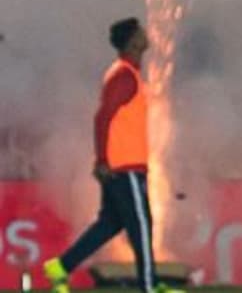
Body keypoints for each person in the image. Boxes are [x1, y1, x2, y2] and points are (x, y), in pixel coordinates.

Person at [44, 18, 160, 293]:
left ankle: (61, 267)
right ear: (133, 40)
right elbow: (102, 117)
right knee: (141, 225)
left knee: (110, 223)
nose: (147, 34)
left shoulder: (127, 73)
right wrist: (102, 161)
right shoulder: (123, 76)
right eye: (141, 31)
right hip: (124, 167)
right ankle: (149, 286)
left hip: (122, 165)